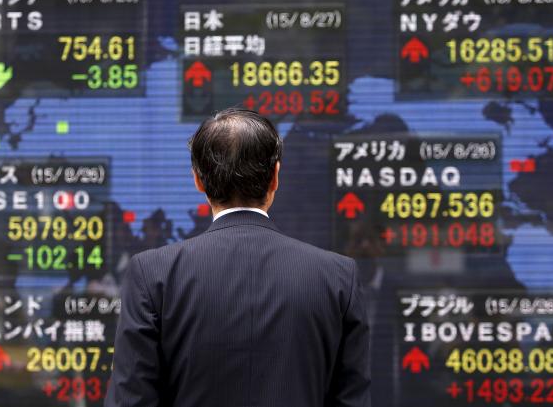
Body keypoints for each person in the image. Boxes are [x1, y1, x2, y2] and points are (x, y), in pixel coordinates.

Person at [105, 108, 371, 407]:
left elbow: (131, 400)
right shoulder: (337, 277)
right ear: (275, 177)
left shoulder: (152, 274)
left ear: (198, 181)